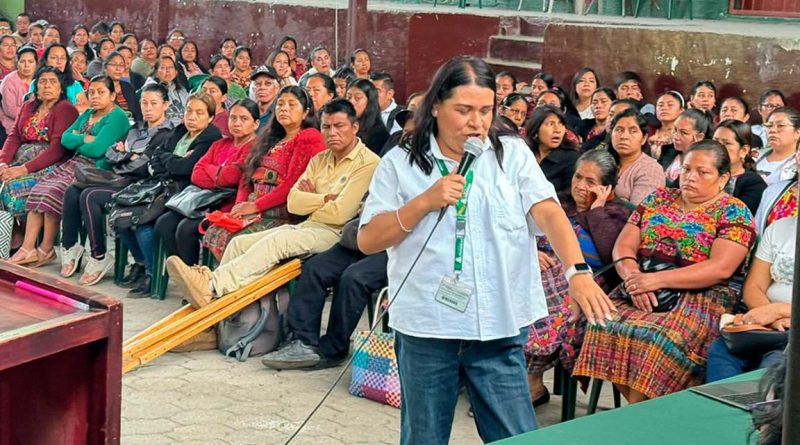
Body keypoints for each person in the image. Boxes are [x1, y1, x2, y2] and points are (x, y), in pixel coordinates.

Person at [356, 56, 612, 445]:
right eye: (464, 110)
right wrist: (423, 202)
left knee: (516, 436)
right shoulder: (402, 161)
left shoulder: (511, 153)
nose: (476, 123)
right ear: (437, 105)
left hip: (497, 326)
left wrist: (576, 272)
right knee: (423, 438)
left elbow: (547, 211)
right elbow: (368, 238)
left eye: (486, 110)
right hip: (428, 327)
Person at [574, 140, 756, 403]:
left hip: (702, 295)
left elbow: (721, 268)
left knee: (657, 339)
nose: (690, 178)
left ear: (723, 177)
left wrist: (654, 281)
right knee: (602, 323)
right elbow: (624, 245)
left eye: (702, 172)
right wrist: (633, 279)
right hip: (639, 284)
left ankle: (635, 417)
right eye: (686, 169)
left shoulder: (733, 211)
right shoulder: (659, 198)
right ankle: (639, 415)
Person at [166, 97, 379, 309]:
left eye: (339, 126)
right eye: (326, 126)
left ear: (355, 127)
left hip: (336, 234)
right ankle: (222, 312)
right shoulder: (320, 159)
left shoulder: (368, 163)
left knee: (278, 241)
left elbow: (339, 214)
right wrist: (324, 199)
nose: (332, 133)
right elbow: (294, 202)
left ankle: (212, 286)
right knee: (239, 243)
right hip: (307, 225)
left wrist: (311, 200)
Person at [526, 149, 632, 407]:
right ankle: (518, 382)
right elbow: (525, 233)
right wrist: (534, 252)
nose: (581, 186)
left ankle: (529, 384)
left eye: (591, 182)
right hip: (540, 270)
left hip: (586, 281)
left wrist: (597, 211)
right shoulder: (558, 204)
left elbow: (610, 256)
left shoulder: (618, 214)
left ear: (607, 188)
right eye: (578, 177)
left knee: (548, 307)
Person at [59, 83, 175, 287]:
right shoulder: (136, 128)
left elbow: (145, 166)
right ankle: (70, 246)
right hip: (123, 180)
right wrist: (129, 156)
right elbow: (111, 153)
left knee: (90, 195)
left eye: (153, 103)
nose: (148, 107)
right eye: (144, 103)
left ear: (165, 105)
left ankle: (98, 255)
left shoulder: (166, 134)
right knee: (73, 189)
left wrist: (126, 155)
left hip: (143, 188)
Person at [10, 75, 130, 266]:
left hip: (96, 170)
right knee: (39, 189)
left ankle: (46, 249)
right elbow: (66, 139)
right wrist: (86, 138)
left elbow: (97, 150)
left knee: (53, 192)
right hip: (75, 163)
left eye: (101, 92)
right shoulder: (88, 113)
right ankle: (27, 247)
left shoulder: (117, 117)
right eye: (92, 92)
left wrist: (79, 138)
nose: (95, 96)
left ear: (113, 95)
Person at [116, 93, 224, 294]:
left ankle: (156, 273)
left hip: (185, 191)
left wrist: (169, 161)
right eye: (189, 111)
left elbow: (187, 169)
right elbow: (157, 155)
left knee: (147, 225)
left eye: (199, 113)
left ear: (210, 118)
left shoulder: (210, 137)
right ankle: (141, 264)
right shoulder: (181, 130)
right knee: (122, 217)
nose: (191, 117)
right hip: (161, 184)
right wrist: (171, 160)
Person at [202, 86, 325, 260]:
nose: (284, 109)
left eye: (291, 105)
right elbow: (246, 177)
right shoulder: (271, 138)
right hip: (254, 207)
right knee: (217, 230)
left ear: (305, 112)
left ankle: (228, 285)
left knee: (236, 240)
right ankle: (211, 281)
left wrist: (256, 207)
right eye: (280, 104)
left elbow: (292, 183)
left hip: (281, 212)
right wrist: (239, 208)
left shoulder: (309, 137)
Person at [706, 214, 794, 382]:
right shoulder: (779, 228)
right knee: (721, 351)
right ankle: (720, 408)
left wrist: (778, 311)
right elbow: (754, 287)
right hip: (767, 324)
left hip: (789, 331)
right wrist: (769, 318)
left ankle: (760, 407)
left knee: (773, 366)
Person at [0, 67, 78, 229]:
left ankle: (18, 235)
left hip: (51, 167)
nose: (47, 86)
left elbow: (57, 149)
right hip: (20, 160)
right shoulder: (28, 106)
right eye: (42, 82)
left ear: (60, 87)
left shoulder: (67, 110)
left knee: (9, 189)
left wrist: (24, 169)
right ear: (36, 87)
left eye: (52, 82)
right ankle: (10, 236)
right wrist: (3, 163)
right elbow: (14, 136)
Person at [608, 108, 665, 205]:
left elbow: (639, 214)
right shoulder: (603, 161)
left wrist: (609, 198)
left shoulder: (651, 169)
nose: (624, 136)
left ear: (644, 138)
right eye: (619, 130)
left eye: (633, 131)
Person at [713, 120, 767, 214]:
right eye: (715, 141)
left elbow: (737, 216)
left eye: (727, 143)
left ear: (744, 150)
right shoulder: (697, 172)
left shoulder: (754, 183)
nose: (718, 147)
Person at [525, 105, 580, 193]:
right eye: (551, 124)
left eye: (561, 124)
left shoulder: (572, 159)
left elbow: (570, 196)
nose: (557, 130)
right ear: (536, 129)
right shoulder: (524, 154)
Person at [660, 108, 713, 186]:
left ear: (699, 137)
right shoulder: (667, 151)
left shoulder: (706, 163)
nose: (675, 136)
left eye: (684, 133)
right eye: (674, 130)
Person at [35, 43, 88, 109]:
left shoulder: (75, 85)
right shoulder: (37, 83)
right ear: (46, 61)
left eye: (63, 58)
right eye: (54, 58)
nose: (59, 62)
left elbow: (86, 107)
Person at [755, 107, 799, 186]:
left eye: (781, 125)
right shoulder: (754, 156)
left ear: (797, 132)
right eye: (769, 126)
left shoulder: (797, 164)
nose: (772, 130)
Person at [0, 46, 37, 137]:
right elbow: (10, 110)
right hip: (12, 128)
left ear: (36, 63)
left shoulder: (40, 79)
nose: (26, 65)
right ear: (17, 63)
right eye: (22, 61)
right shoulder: (9, 81)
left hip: (37, 126)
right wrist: (34, 117)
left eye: (30, 62)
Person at [346, 78, 389, 154]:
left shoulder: (379, 133)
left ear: (369, 102)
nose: (351, 102)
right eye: (349, 97)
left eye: (357, 98)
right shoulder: (344, 125)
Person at [143, 55, 189, 126]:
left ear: (176, 72)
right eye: (163, 67)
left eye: (171, 67)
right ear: (156, 74)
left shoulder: (181, 90)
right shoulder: (150, 91)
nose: (168, 70)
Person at [102, 51, 142, 125]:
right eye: (114, 64)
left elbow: (138, 114)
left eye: (121, 65)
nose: (118, 69)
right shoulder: (100, 88)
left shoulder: (128, 87)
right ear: (105, 67)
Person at [576, 87, 616, 151]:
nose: (598, 106)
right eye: (594, 103)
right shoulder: (583, 125)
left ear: (614, 104)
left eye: (603, 102)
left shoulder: (615, 129)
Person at [649, 91, 685, 160]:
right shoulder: (649, 131)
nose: (664, 108)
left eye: (670, 105)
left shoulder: (684, 134)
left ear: (681, 110)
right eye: (660, 105)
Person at [250, 65, 280, 131]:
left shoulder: (280, 113)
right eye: (258, 84)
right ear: (253, 89)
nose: (262, 87)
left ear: (277, 88)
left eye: (268, 83)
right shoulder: (248, 111)